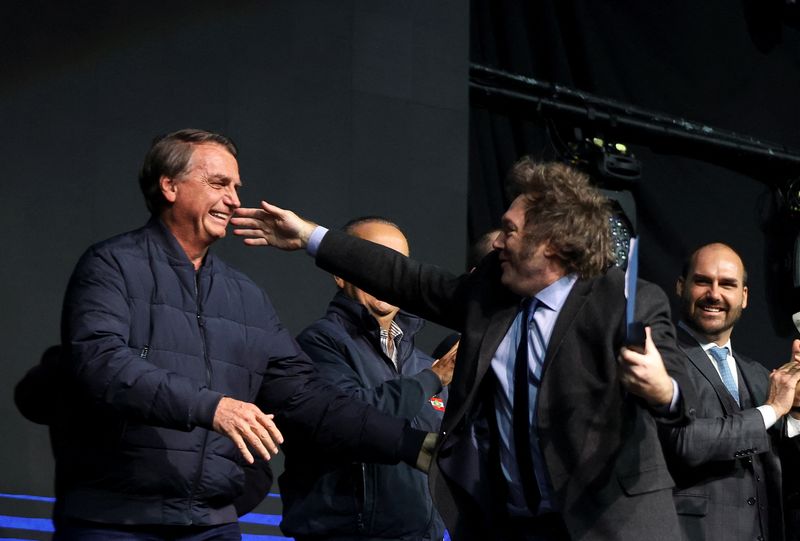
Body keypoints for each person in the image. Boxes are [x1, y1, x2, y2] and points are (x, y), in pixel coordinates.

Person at [232, 158, 692, 541]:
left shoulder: (623, 301)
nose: (499, 241)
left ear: (551, 244)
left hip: (604, 525)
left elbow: (678, 392)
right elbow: (407, 279)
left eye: (511, 231)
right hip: (508, 525)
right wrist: (311, 235)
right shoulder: (491, 290)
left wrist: (659, 388)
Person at [53, 129, 426, 540]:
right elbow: (101, 364)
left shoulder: (245, 296)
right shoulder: (112, 265)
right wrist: (214, 408)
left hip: (210, 524)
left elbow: (310, 399)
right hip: (115, 521)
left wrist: (412, 446)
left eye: (235, 187)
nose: (233, 199)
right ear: (169, 186)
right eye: (218, 184)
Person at [280, 216, 454, 541]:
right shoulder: (320, 343)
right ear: (340, 274)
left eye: (396, 266)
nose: (385, 276)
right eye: (372, 262)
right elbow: (354, 420)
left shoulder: (424, 363)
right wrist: (433, 379)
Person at [659, 242, 800, 541]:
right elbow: (686, 442)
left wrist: (795, 412)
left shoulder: (759, 374)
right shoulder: (659, 359)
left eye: (727, 284)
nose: (714, 294)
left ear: (744, 297)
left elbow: (780, 462)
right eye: (702, 281)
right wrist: (773, 409)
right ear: (681, 286)